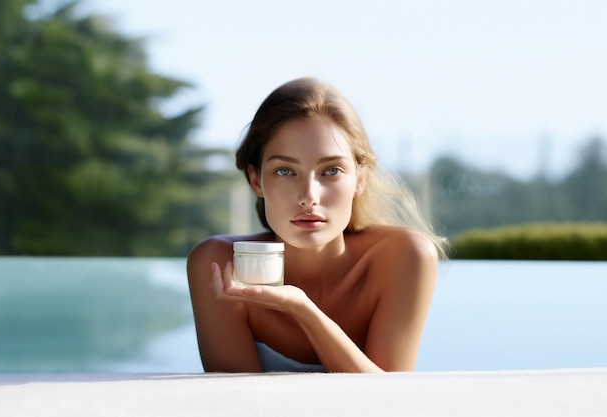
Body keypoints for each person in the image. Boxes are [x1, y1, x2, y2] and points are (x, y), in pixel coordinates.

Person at [187, 77, 448, 373]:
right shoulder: (220, 264)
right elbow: (234, 404)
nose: (309, 197)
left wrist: (303, 310)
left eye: (331, 171)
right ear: (256, 179)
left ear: (359, 180)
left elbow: (387, 402)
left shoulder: (404, 257)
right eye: (285, 171)